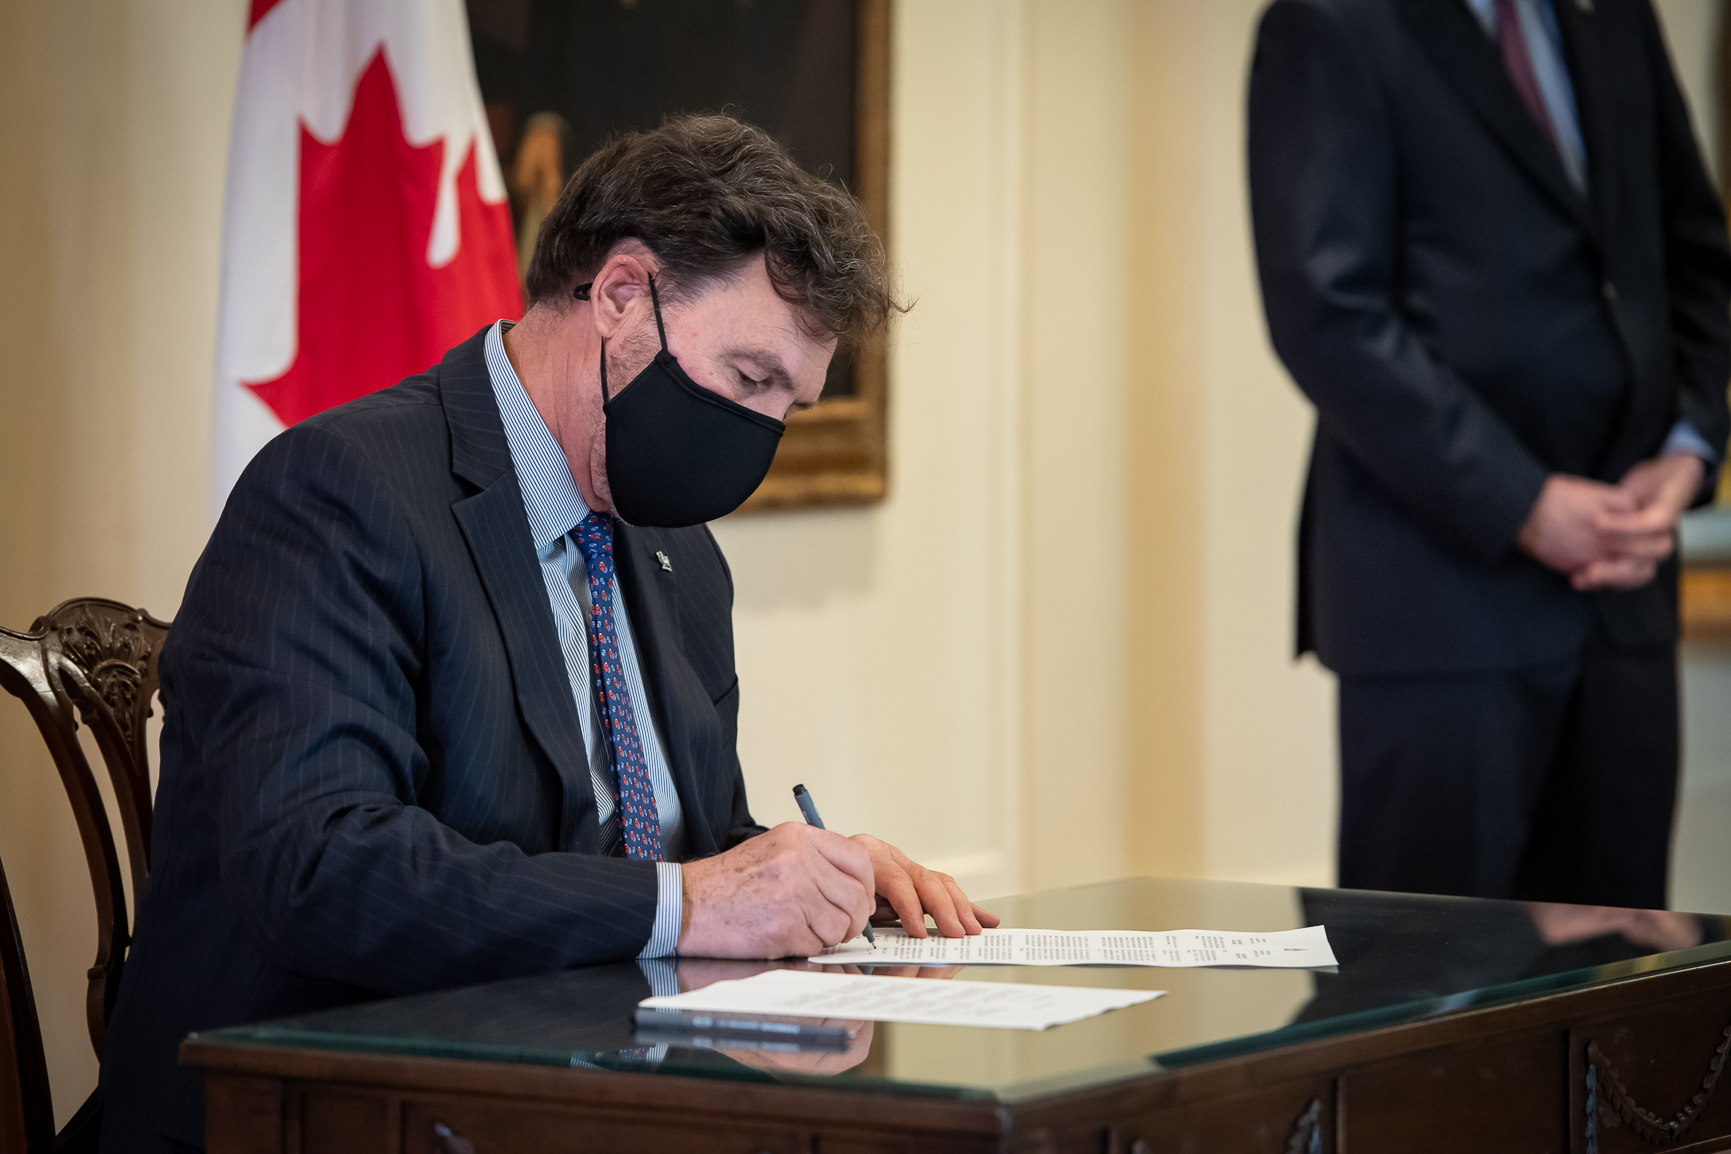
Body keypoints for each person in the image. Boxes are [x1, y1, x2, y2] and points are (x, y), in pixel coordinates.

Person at [99, 114, 996, 1153]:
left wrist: (816, 875)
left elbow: (681, 848)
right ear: (619, 296)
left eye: (787, 408)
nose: (759, 436)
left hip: (597, 1097)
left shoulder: (679, 551)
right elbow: (319, 868)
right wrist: (693, 901)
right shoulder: (340, 493)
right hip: (331, 1109)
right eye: (750, 378)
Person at [1248, 0, 1731, 908]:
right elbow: (1325, 310)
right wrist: (1521, 502)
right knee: (1426, 977)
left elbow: (1695, 258)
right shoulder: (1330, 23)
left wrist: (1687, 449)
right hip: (1438, 606)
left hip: (1624, 602)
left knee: (1623, 969)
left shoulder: (1615, 17)